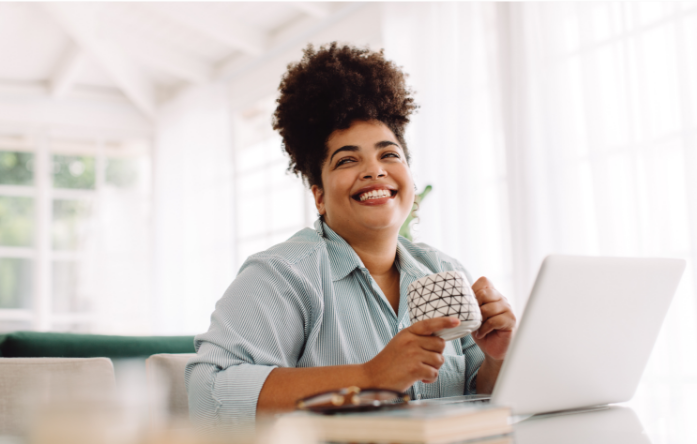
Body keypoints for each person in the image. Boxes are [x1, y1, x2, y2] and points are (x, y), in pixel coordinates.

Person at [185, 42, 516, 427]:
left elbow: (482, 397)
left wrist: (498, 358)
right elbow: (208, 394)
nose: (374, 170)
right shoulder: (281, 275)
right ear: (319, 196)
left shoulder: (443, 271)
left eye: (389, 154)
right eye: (347, 159)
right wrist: (368, 378)